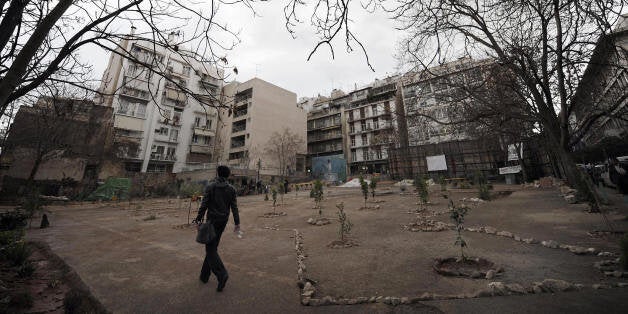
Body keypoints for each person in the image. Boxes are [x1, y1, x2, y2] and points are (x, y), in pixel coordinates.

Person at [193, 165, 240, 292]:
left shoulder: (211, 186)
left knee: (210, 249)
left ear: (218, 174)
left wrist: (198, 219)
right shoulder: (231, 189)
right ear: (228, 175)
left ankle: (222, 274)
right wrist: (237, 223)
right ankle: (204, 276)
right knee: (212, 247)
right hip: (222, 222)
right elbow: (234, 207)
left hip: (212, 221)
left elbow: (204, 205)